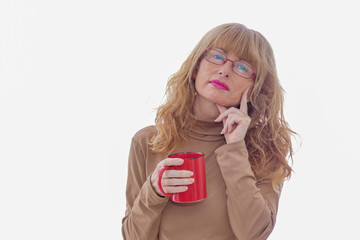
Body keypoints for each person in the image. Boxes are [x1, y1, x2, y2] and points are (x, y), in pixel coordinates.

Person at [121, 23, 296, 240]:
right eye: (217, 56)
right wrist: (154, 191)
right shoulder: (148, 142)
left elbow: (253, 235)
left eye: (242, 67)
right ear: (196, 68)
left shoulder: (264, 151)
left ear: (255, 89)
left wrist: (235, 149)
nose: (224, 70)